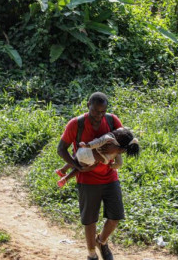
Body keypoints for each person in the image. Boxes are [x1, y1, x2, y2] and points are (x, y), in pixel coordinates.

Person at [57, 92, 130, 260]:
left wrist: (116, 150)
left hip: (110, 177)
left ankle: (102, 241)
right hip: (87, 180)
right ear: (88, 104)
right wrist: (77, 167)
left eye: (102, 112)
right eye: (95, 111)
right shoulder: (76, 124)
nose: (99, 116)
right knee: (90, 221)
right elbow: (61, 149)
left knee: (116, 216)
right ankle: (91, 254)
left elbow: (126, 142)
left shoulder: (112, 121)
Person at [55, 127, 139, 188]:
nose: (114, 130)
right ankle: (65, 179)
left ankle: (63, 170)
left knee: (75, 160)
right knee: (78, 168)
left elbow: (97, 142)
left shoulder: (109, 138)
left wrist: (87, 145)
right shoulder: (118, 151)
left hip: (86, 151)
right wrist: (112, 166)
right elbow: (119, 163)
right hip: (91, 161)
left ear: (118, 137)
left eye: (116, 131)